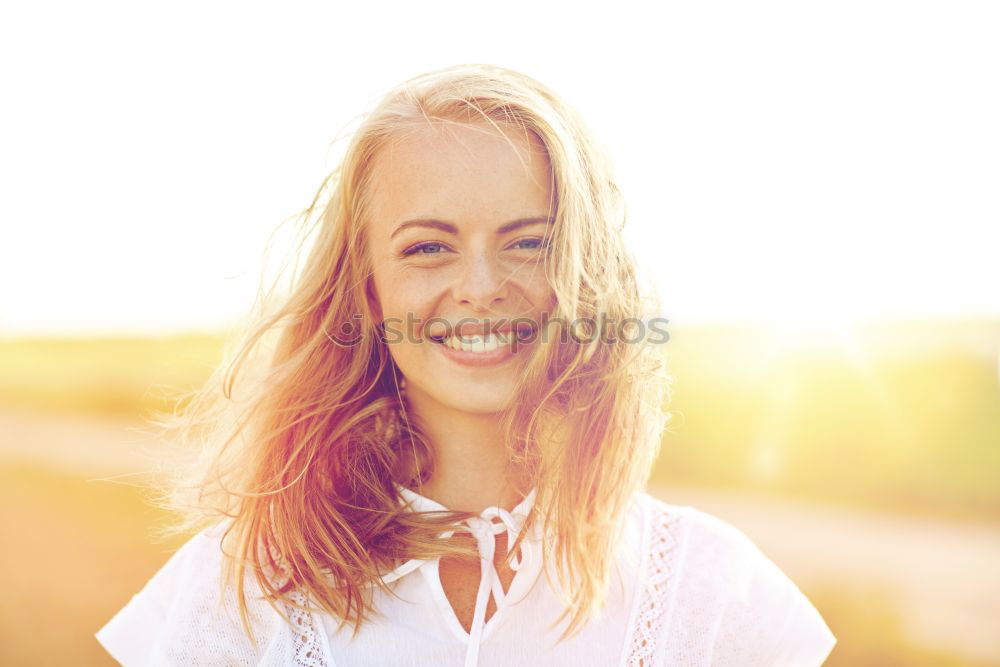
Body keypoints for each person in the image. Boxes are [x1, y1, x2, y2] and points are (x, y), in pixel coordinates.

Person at [95, 63, 837, 666]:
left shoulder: (706, 589)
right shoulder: (248, 583)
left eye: (527, 242)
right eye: (427, 246)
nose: (481, 287)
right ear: (366, 289)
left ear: (588, 274)